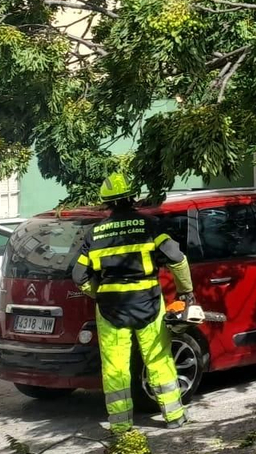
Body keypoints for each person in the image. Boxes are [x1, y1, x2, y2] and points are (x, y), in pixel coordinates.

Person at [70, 173, 194, 431]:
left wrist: (99, 293)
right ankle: (174, 417)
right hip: (148, 304)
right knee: (159, 360)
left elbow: (79, 276)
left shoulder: (95, 234)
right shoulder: (149, 225)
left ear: (106, 203)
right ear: (131, 197)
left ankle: (121, 425)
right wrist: (186, 292)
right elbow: (177, 258)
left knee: (115, 368)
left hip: (111, 309)